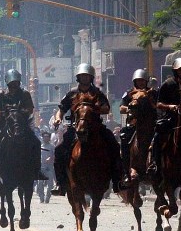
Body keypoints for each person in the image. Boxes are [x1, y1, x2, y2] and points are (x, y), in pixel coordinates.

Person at [50, 63, 127, 196]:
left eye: (87, 76)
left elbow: (106, 108)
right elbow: (61, 110)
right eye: (82, 76)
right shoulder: (72, 93)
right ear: (78, 77)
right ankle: (60, 183)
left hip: (95, 127)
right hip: (75, 128)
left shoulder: (97, 93)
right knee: (59, 149)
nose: (85, 78)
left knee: (114, 146)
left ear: (91, 78)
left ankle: (117, 181)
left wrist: (95, 108)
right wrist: (58, 118)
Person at [0, 69, 48, 184]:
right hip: (4, 125)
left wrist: (23, 112)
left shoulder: (25, 94)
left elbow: (30, 108)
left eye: (16, 83)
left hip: (22, 125)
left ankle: (37, 170)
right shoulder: (1, 94)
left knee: (36, 142)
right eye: (12, 83)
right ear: (7, 83)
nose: (14, 85)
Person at [147, 57, 181, 178]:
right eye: (180, 70)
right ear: (175, 71)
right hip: (171, 117)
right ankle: (155, 163)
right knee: (158, 136)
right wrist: (171, 107)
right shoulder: (168, 84)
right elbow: (159, 104)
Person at [119, 68, 157, 179]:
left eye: (142, 80)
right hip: (134, 124)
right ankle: (126, 171)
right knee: (124, 139)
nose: (141, 82)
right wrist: (131, 109)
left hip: (151, 124)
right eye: (138, 80)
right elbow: (121, 108)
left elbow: (158, 105)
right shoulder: (129, 93)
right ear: (135, 81)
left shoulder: (153, 93)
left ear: (146, 81)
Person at [37, 130, 55, 203]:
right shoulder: (40, 146)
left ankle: (47, 197)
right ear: (42, 137)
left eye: (47, 137)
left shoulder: (52, 146)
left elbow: (54, 155)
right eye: (45, 137)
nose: (46, 138)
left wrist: (50, 157)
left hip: (49, 168)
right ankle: (41, 198)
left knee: (50, 184)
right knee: (40, 184)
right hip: (41, 167)